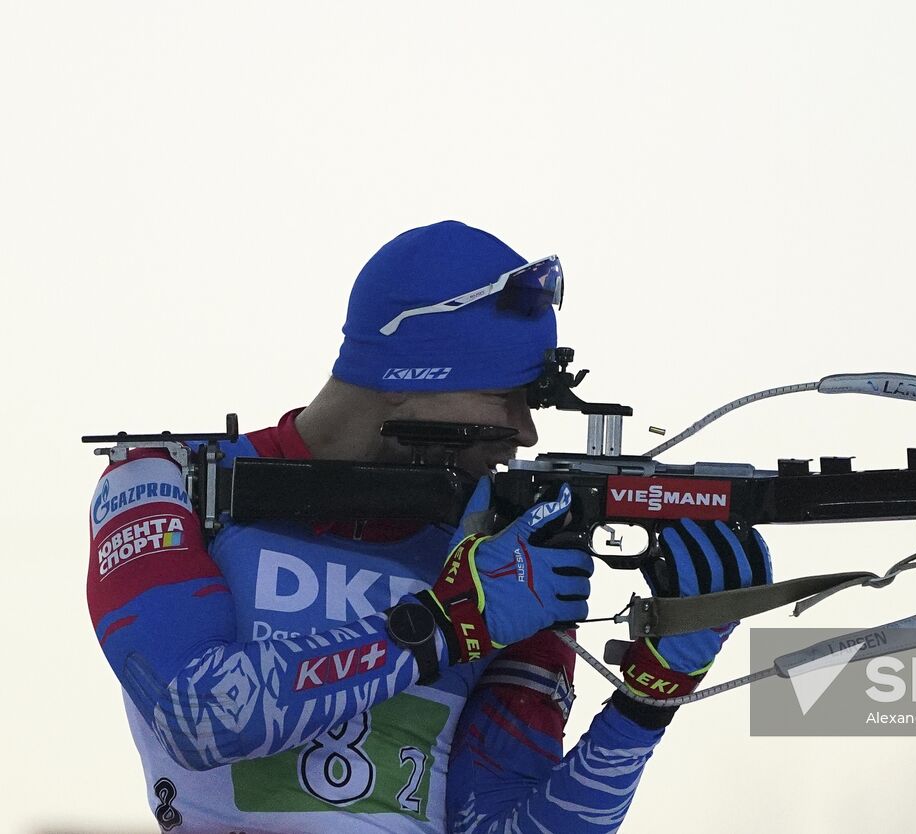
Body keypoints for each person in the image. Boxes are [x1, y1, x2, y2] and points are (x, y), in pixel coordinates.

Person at [86, 220, 773, 833]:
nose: (524, 430)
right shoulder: (163, 481)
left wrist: (648, 701)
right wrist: (450, 623)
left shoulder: (508, 549)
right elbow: (200, 713)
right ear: (410, 376)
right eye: (505, 395)